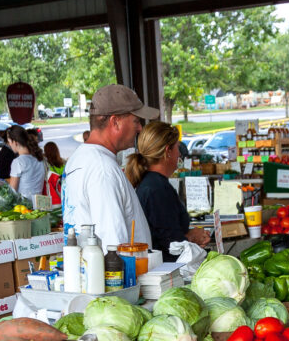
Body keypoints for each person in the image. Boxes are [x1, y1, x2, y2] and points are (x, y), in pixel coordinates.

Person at [63, 84, 155, 249]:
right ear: (116, 122)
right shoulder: (102, 169)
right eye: (136, 120)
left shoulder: (78, 159)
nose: (140, 128)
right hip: (118, 272)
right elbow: (113, 245)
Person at [125, 121, 210, 261]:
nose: (179, 154)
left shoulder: (151, 183)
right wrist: (192, 236)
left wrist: (190, 235)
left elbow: (164, 231)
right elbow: (170, 244)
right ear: (167, 151)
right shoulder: (156, 189)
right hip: (165, 270)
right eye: (177, 148)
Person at [7, 125, 46, 199]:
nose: (9, 145)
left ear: (15, 142)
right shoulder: (40, 158)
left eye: (9, 142)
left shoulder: (18, 162)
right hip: (40, 205)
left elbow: (12, 192)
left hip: (24, 207)